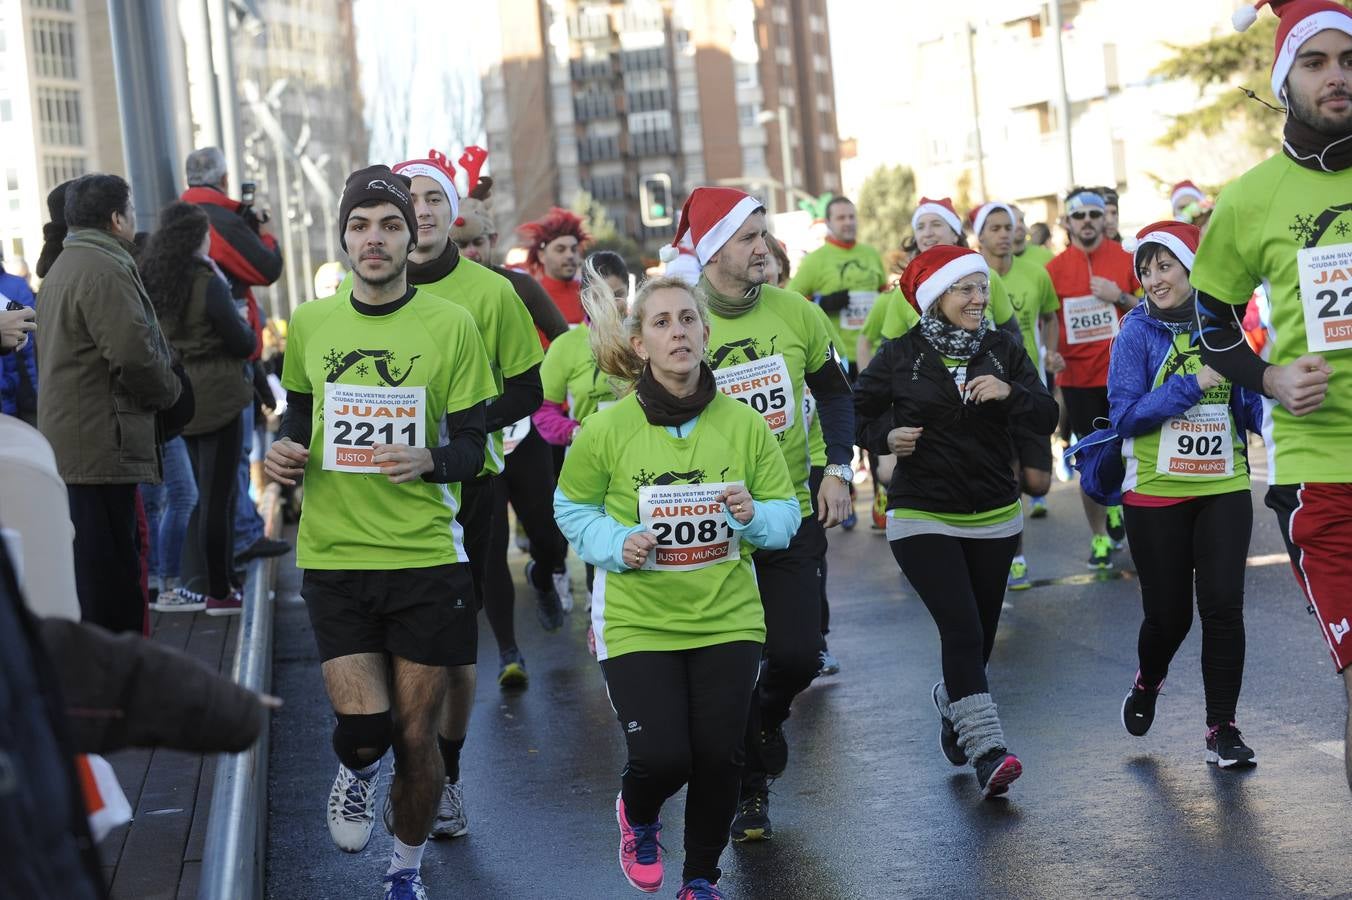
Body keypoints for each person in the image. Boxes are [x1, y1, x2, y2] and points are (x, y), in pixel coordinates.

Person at [264, 166, 496, 900]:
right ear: (343, 235)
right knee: (366, 735)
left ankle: (403, 873)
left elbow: (475, 449)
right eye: (360, 225)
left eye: (390, 225)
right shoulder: (312, 322)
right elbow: (298, 417)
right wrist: (281, 450)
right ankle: (356, 770)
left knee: (416, 738)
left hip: (425, 556)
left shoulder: (450, 325)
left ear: (411, 237)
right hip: (334, 556)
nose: (374, 239)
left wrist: (431, 458)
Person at [554, 269, 799, 899]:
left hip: (728, 617)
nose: (677, 332)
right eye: (661, 322)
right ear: (640, 345)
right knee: (665, 759)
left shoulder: (744, 425)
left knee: (720, 756)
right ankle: (637, 815)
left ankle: (700, 877)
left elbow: (784, 515)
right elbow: (572, 508)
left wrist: (754, 516)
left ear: (706, 333)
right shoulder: (608, 429)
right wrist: (616, 542)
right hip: (639, 621)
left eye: (687, 319)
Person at [660, 186, 854, 841]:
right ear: (714, 251)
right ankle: (749, 790)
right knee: (733, 663)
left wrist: (838, 470)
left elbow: (833, 393)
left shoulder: (797, 313)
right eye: (747, 238)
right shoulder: (683, 322)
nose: (764, 248)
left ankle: (767, 720)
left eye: (764, 235)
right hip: (712, 524)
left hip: (790, 509)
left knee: (798, 655)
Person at [1196, 0, 1352, 790]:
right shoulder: (1249, 198)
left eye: (1349, 60)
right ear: (1283, 79)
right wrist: (1267, 377)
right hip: (1324, 469)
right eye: (1317, 62)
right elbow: (1212, 319)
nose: (1338, 77)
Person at [855, 245, 1058, 797]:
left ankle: (954, 703)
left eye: (981, 287)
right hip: (922, 513)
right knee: (962, 628)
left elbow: (1047, 413)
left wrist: (1010, 393)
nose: (978, 298)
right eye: (965, 289)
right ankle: (990, 751)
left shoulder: (1003, 349)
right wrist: (883, 438)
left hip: (994, 512)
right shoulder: (901, 354)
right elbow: (855, 409)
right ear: (936, 297)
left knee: (980, 637)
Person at [389, 149, 546, 833]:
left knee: (452, 650)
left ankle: (442, 776)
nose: (420, 210)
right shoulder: (359, 296)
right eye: (408, 199)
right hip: (383, 497)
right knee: (396, 644)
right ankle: (392, 758)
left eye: (432, 199)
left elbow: (528, 389)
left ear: (452, 213)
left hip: (467, 487)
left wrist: (459, 430)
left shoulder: (493, 292)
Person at [1109, 221, 1263, 767]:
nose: (1153, 278)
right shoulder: (1135, 333)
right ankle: (1149, 680)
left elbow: (1251, 403)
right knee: (1170, 618)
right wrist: (1191, 385)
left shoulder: (1226, 329)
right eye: (1145, 270)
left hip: (1224, 481)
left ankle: (1222, 728)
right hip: (1154, 488)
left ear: (1192, 267)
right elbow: (1125, 415)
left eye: (1164, 266)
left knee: (1223, 607)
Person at [35, 174, 181, 634]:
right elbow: (134, 355)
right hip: (100, 445)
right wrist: (172, 393)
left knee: (99, 574)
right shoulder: (102, 269)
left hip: (82, 442)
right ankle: (122, 693)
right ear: (117, 218)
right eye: (131, 210)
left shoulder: (69, 264)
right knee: (115, 578)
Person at [139, 202, 258, 615]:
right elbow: (242, 342)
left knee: (190, 498)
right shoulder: (208, 281)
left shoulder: (151, 279)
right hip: (221, 397)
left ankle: (195, 582)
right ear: (196, 238)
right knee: (218, 498)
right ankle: (221, 590)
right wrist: (242, 325)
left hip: (180, 395)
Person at [180, 147, 291, 569]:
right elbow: (266, 268)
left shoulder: (178, 212)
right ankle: (238, 542)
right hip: (224, 354)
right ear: (223, 180)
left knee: (202, 477)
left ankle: (223, 550)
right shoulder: (217, 217)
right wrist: (265, 232)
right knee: (231, 460)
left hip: (188, 358)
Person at [1045, 188, 1140, 568]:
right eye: (1079, 215)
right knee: (1091, 455)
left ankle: (1126, 513)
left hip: (1126, 374)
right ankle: (1099, 536)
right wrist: (1049, 355)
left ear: (1105, 219)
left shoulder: (1126, 260)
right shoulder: (1053, 270)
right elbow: (1046, 321)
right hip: (1078, 378)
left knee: (1131, 451)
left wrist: (1119, 295)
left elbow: (1150, 307)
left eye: (1094, 215)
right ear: (1067, 223)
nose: (1087, 221)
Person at [972, 201, 1064, 589]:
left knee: (1038, 482)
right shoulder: (973, 275)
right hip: (989, 389)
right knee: (1008, 478)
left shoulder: (1035, 273)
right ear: (980, 236)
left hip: (1028, 382)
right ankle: (1017, 558)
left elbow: (1049, 315)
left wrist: (1051, 352)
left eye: (1007, 227)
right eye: (994, 228)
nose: (1004, 234)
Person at [787, 196, 887, 532]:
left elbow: (884, 294)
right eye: (841, 217)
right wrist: (823, 301)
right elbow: (793, 299)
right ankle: (845, 485)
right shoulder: (817, 261)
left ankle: (880, 495)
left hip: (871, 354)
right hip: (835, 357)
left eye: (852, 216)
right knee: (844, 424)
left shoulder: (871, 254)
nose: (848, 222)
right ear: (829, 222)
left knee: (874, 426)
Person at [878, 197, 1022, 345]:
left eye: (936, 224)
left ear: (955, 234)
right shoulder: (906, 291)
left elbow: (1014, 334)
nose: (927, 233)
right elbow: (887, 351)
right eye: (920, 227)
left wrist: (998, 364)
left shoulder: (986, 277)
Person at [519, 207, 590, 324]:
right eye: (560, 249)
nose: (570, 255)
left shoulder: (590, 294)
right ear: (542, 255)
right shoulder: (530, 297)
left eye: (574, 249)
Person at [0, 242, 38, 424]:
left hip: (13, 394)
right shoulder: (17, 286)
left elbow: (28, 344)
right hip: (16, 393)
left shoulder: (14, 287)